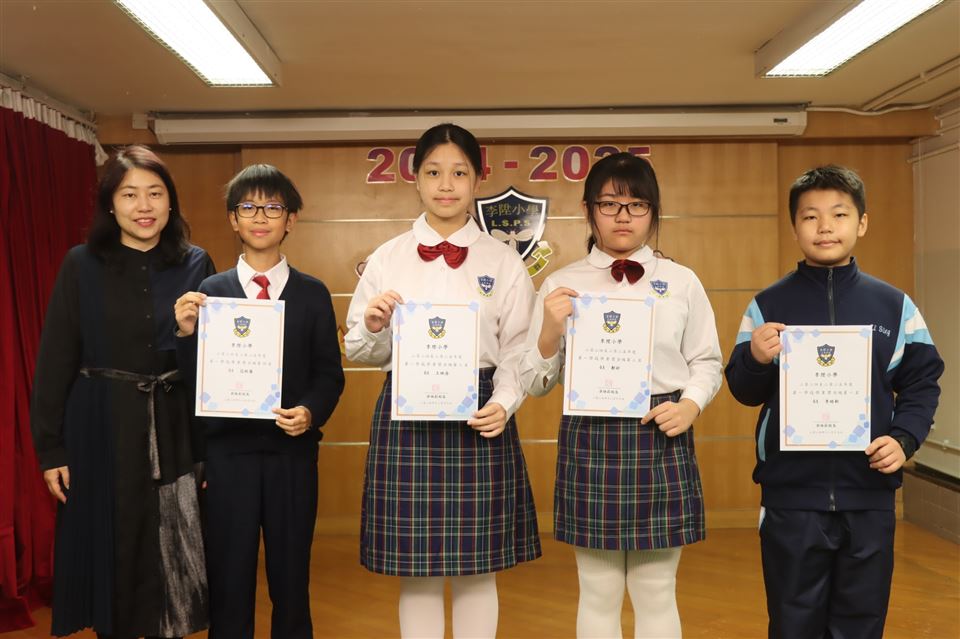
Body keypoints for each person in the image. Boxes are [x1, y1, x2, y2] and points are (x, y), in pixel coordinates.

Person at [724, 165, 944, 639]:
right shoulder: (767, 305)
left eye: (839, 214)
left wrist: (904, 439)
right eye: (810, 216)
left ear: (862, 223)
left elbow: (923, 382)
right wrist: (756, 358)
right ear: (794, 227)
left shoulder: (895, 306)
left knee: (861, 623)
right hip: (791, 498)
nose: (825, 226)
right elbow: (743, 390)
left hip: (869, 493)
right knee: (792, 623)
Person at [344, 123, 541, 639]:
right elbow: (358, 348)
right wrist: (373, 326)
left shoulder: (503, 260)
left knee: (479, 569)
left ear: (478, 179)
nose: (446, 185)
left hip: (479, 416)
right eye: (433, 172)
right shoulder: (387, 257)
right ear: (415, 178)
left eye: (459, 173)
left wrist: (504, 403)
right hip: (406, 417)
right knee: (417, 573)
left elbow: (518, 348)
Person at [520, 152, 722, 638]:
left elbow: (707, 360)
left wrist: (690, 404)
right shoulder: (560, 283)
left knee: (657, 589)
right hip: (590, 437)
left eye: (637, 204)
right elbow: (535, 383)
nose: (623, 216)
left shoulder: (682, 281)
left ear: (654, 211)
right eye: (609, 204)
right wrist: (548, 332)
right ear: (588, 210)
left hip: (661, 433)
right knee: (598, 589)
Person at [31, 145, 213, 639]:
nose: (144, 206)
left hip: (173, 427)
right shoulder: (80, 264)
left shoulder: (197, 263)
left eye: (155, 193)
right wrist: (51, 449)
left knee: (170, 559)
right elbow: (55, 360)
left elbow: (210, 366)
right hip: (100, 425)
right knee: (112, 550)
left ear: (171, 202)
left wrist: (207, 450)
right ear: (110, 204)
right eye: (130, 195)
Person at [174, 164, 344, 639]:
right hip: (229, 457)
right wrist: (185, 335)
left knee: (292, 580)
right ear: (233, 219)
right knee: (229, 579)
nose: (261, 216)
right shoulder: (211, 294)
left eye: (273, 207)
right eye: (248, 207)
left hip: (292, 456)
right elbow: (194, 382)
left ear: (291, 219)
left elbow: (329, 374)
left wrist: (309, 412)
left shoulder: (312, 293)